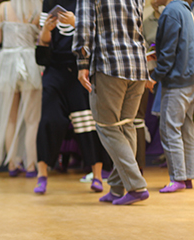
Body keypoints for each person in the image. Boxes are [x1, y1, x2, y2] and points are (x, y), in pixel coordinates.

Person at [73, 0, 150, 205]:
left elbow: (83, 25)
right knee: (126, 127)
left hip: (110, 63)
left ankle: (136, 186)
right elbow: (138, 24)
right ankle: (117, 188)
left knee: (107, 127)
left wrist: (82, 64)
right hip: (137, 65)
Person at [33, 0, 110, 194]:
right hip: (54, 72)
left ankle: (97, 176)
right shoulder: (48, 3)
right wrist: (46, 31)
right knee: (49, 121)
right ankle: (41, 176)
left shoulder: (86, 3)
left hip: (80, 71)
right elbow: (42, 52)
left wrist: (78, 25)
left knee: (86, 123)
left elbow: (101, 38)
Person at [0, 0, 42, 177]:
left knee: (10, 118)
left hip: (7, 63)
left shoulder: (3, 8)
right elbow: (41, 38)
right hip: (29, 62)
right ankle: (31, 165)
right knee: (32, 119)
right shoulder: (37, 7)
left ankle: (12, 164)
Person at [149, 0, 194, 192]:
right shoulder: (186, 11)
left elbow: (168, 55)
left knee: (169, 129)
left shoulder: (170, 12)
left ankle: (178, 178)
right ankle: (188, 176)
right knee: (187, 130)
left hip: (176, 82)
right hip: (189, 79)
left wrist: (153, 76)